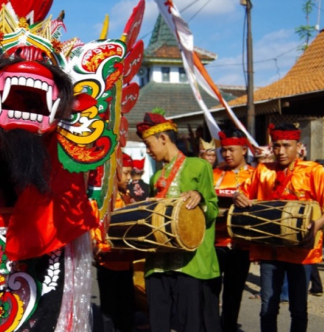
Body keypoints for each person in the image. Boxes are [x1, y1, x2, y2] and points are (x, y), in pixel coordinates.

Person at [234, 123, 324, 332]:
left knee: (299, 309)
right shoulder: (263, 171)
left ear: (299, 146)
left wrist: (317, 224)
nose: (280, 151)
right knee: (267, 309)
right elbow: (243, 192)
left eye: (286, 145)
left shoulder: (313, 171)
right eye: (276, 146)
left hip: (301, 251)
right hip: (269, 250)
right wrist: (239, 196)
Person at [136, 113, 221, 332]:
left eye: (148, 144)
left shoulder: (199, 166)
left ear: (163, 138)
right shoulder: (156, 178)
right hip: (158, 262)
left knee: (190, 324)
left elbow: (212, 211)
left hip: (189, 263)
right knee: (159, 324)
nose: (148, 151)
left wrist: (199, 198)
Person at [212, 129, 254, 332]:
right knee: (211, 290)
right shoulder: (214, 174)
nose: (227, 154)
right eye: (224, 150)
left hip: (240, 245)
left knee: (233, 293)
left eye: (231, 150)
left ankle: (228, 327)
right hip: (214, 243)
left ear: (244, 150)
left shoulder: (256, 175)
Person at [96, 153, 136, 332]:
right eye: (126, 174)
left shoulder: (127, 196)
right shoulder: (105, 199)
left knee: (127, 311)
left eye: (130, 173)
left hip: (126, 263)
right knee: (109, 313)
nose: (129, 178)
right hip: (108, 264)